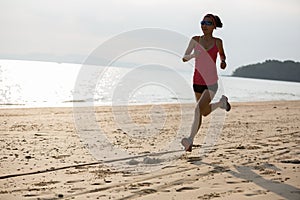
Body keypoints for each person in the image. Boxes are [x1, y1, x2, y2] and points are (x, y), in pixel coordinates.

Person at [181, 14, 231, 152]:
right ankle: (221, 104)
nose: (204, 25)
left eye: (208, 23)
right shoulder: (195, 40)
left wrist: (222, 62)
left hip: (211, 82)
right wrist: (192, 56)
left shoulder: (218, 42)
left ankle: (190, 140)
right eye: (202, 22)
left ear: (214, 26)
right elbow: (184, 58)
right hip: (197, 81)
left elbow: (222, 55)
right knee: (203, 112)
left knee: (197, 110)